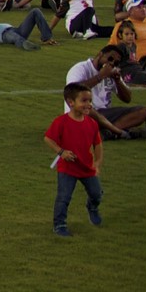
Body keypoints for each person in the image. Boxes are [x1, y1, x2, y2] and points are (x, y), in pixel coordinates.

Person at [47, 82, 104, 237]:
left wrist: (97, 163)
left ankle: (92, 207)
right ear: (70, 102)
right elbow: (48, 139)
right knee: (64, 197)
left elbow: (97, 144)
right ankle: (59, 225)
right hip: (68, 168)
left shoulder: (92, 123)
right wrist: (61, 152)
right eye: (84, 101)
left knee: (97, 194)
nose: (88, 104)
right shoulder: (61, 122)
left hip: (87, 168)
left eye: (89, 101)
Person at [65, 45, 146, 140]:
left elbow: (127, 99)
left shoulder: (112, 71)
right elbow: (73, 90)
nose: (111, 63)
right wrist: (100, 76)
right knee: (88, 109)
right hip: (82, 112)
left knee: (143, 112)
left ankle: (108, 133)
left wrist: (118, 81)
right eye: (110, 58)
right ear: (100, 54)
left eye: (115, 62)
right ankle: (119, 132)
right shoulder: (80, 68)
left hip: (104, 114)